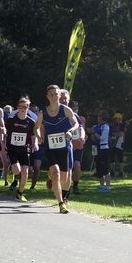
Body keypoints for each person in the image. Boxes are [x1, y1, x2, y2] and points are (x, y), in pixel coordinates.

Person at [35, 85, 79, 213]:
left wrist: (70, 131)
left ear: (60, 95)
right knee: (56, 172)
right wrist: (38, 135)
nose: (54, 96)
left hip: (64, 147)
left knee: (64, 178)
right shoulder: (43, 112)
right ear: (48, 97)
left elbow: (76, 123)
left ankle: (52, 180)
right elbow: (36, 127)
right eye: (51, 94)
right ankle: (61, 203)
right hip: (50, 147)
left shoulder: (65, 110)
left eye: (56, 94)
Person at [4, 96, 37, 202]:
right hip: (12, 148)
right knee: (17, 170)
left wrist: (35, 143)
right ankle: (11, 170)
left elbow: (33, 135)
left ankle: (20, 193)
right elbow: (5, 132)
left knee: (25, 172)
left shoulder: (31, 122)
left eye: (26, 106)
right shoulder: (11, 120)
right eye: (21, 106)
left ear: (28, 107)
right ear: (18, 107)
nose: (23, 108)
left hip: (24, 148)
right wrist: (4, 143)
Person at [68, 99, 86, 195]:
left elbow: (82, 129)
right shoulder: (65, 116)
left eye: (76, 109)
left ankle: (76, 185)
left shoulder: (81, 118)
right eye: (73, 109)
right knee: (68, 166)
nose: (75, 111)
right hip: (67, 144)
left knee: (77, 165)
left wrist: (83, 137)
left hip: (78, 145)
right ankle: (66, 185)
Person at [91, 110, 111, 191]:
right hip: (96, 148)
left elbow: (102, 138)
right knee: (99, 168)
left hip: (103, 149)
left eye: (99, 116)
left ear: (102, 117)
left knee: (105, 168)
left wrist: (94, 132)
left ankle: (108, 186)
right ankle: (102, 186)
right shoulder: (97, 126)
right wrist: (92, 133)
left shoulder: (105, 126)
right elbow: (93, 138)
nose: (98, 117)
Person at [109, 113, 125, 179]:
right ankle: (112, 171)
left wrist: (114, 133)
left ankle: (121, 172)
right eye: (114, 119)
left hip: (119, 144)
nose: (115, 120)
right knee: (111, 158)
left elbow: (121, 134)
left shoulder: (122, 126)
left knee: (120, 158)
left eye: (116, 118)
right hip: (113, 144)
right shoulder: (112, 125)